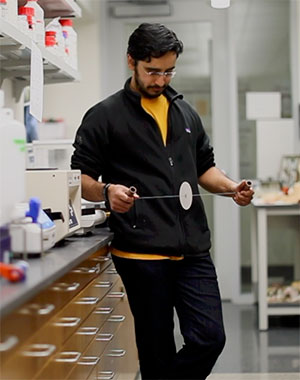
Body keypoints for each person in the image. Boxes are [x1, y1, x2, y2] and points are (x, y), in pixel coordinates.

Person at [71, 22, 254, 380]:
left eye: (168, 71)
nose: (160, 79)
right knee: (156, 351)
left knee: (209, 338)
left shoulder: (185, 113)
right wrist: (108, 192)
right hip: (141, 255)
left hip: (193, 250)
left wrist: (232, 188)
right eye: (152, 71)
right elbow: (80, 180)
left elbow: (205, 168)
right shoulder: (104, 116)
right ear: (131, 61)